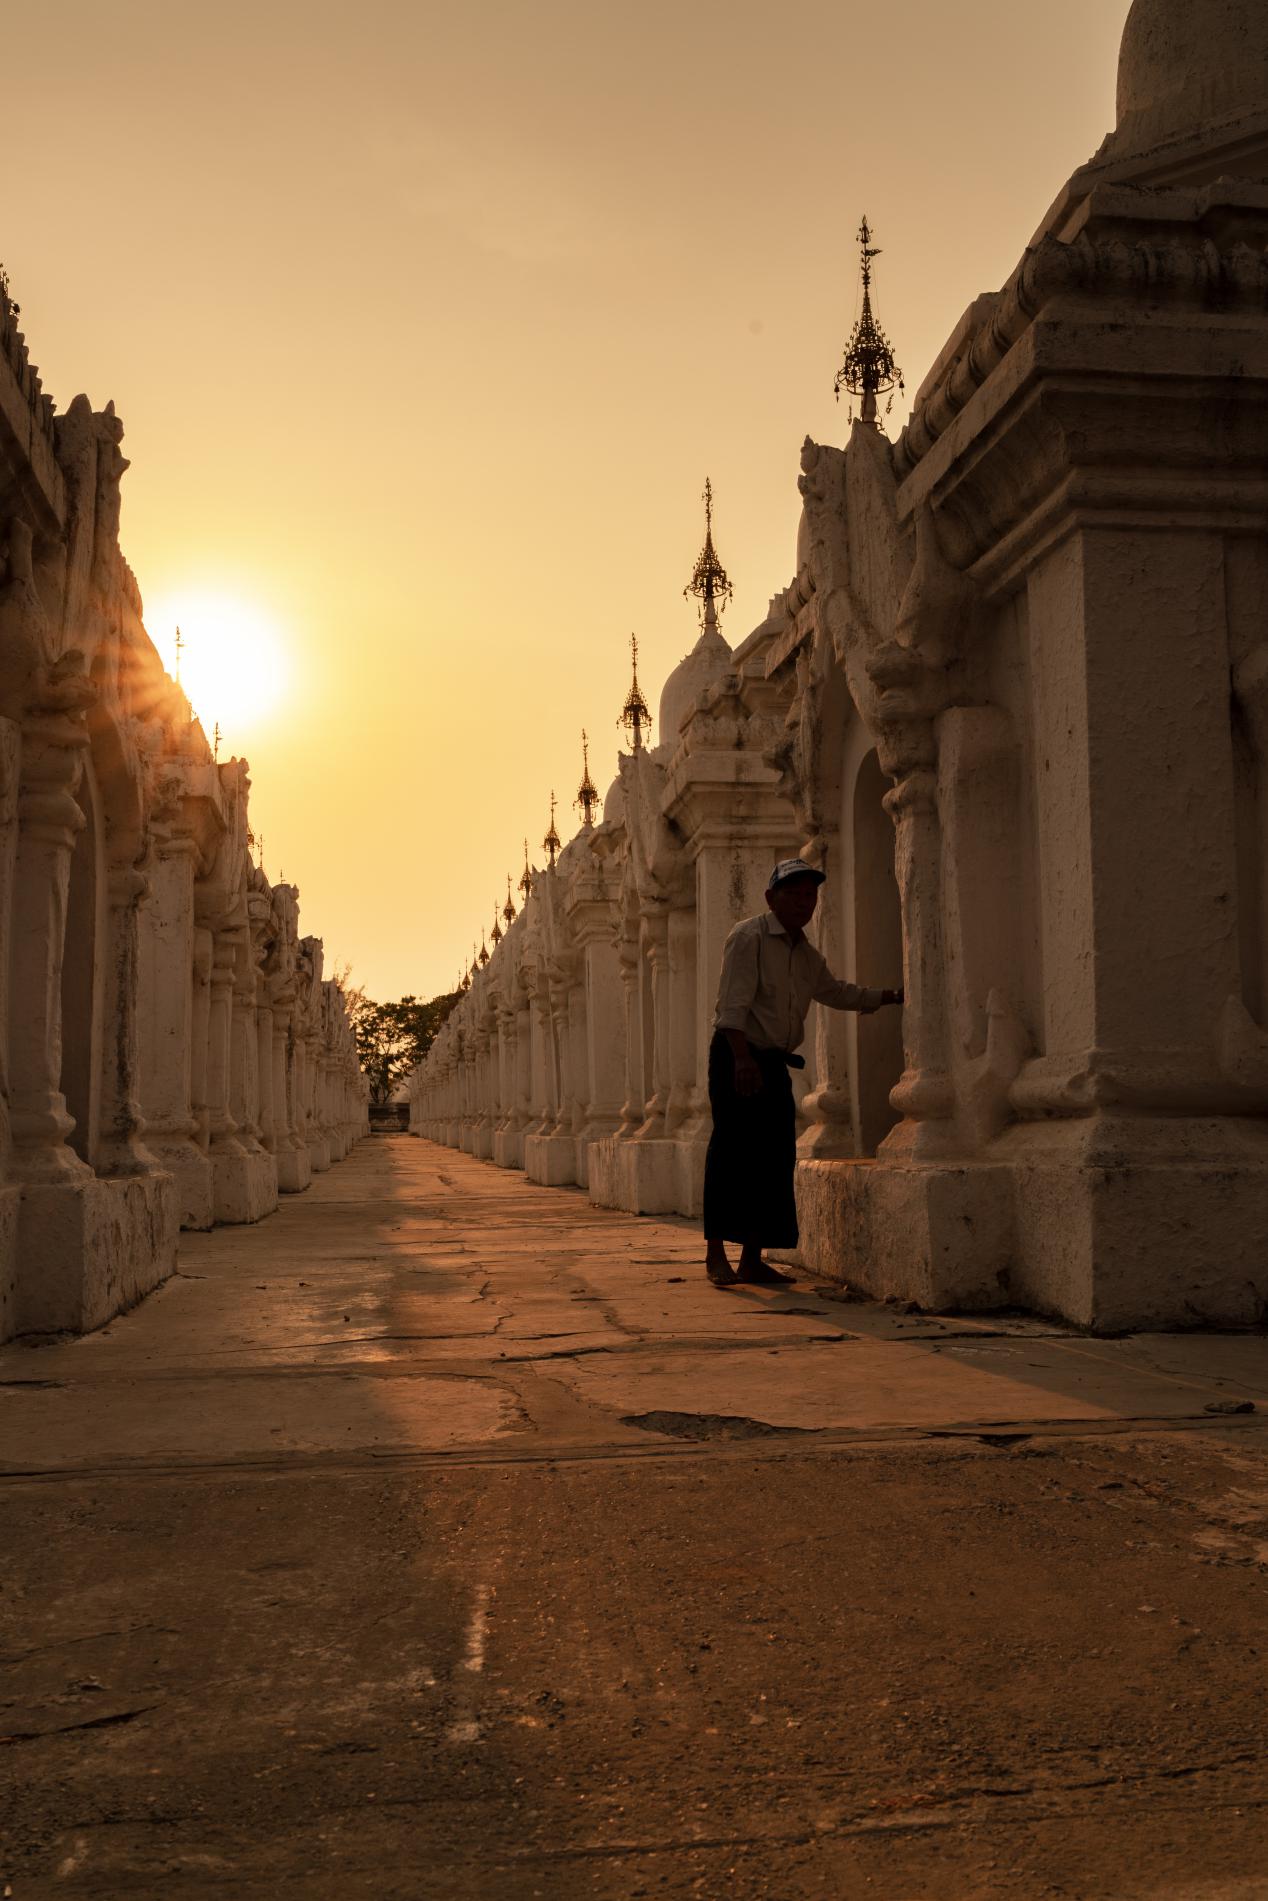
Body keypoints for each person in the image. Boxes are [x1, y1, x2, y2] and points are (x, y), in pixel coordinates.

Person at [704, 858, 903, 1289]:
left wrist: (891, 996)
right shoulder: (748, 937)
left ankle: (752, 1258)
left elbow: (836, 992)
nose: (802, 902)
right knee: (731, 1152)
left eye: (809, 895)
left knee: (774, 1157)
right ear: (770, 898)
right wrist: (741, 1060)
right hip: (737, 1053)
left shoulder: (808, 956)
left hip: (771, 1062)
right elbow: (732, 1005)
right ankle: (715, 1253)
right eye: (792, 894)